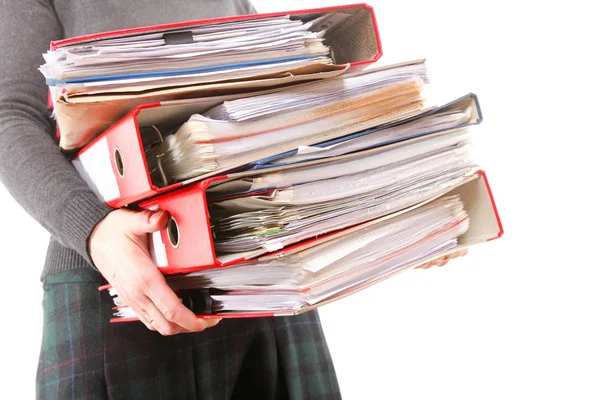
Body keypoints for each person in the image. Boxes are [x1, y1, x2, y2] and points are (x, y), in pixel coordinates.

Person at [0, 1, 466, 398]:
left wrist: (381, 206)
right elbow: (8, 115)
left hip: (258, 264)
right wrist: (94, 230)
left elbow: (268, 105)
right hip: (115, 275)